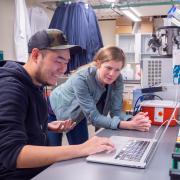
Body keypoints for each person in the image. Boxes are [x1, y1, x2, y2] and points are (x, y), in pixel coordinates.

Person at [0, 29, 115, 180]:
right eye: (58, 61)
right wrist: (81, 148)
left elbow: (16, 122)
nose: (63, 69)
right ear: (35, 55)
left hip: (41, 170)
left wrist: (45, 125)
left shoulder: (35, 83)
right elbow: (11, 153)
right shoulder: (10, 87)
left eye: (66, 62)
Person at [49, 46, 151, 146]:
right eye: (108, 68)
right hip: (54, 108)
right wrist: (129, 125)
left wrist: (131, 120)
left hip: (79, 113)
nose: (112, 74)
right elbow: (94, 117)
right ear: (98, 63)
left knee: (82, 150)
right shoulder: (81, 79)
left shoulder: (118, 79)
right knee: (51, 153)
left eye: (117, 69)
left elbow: (116, 111)